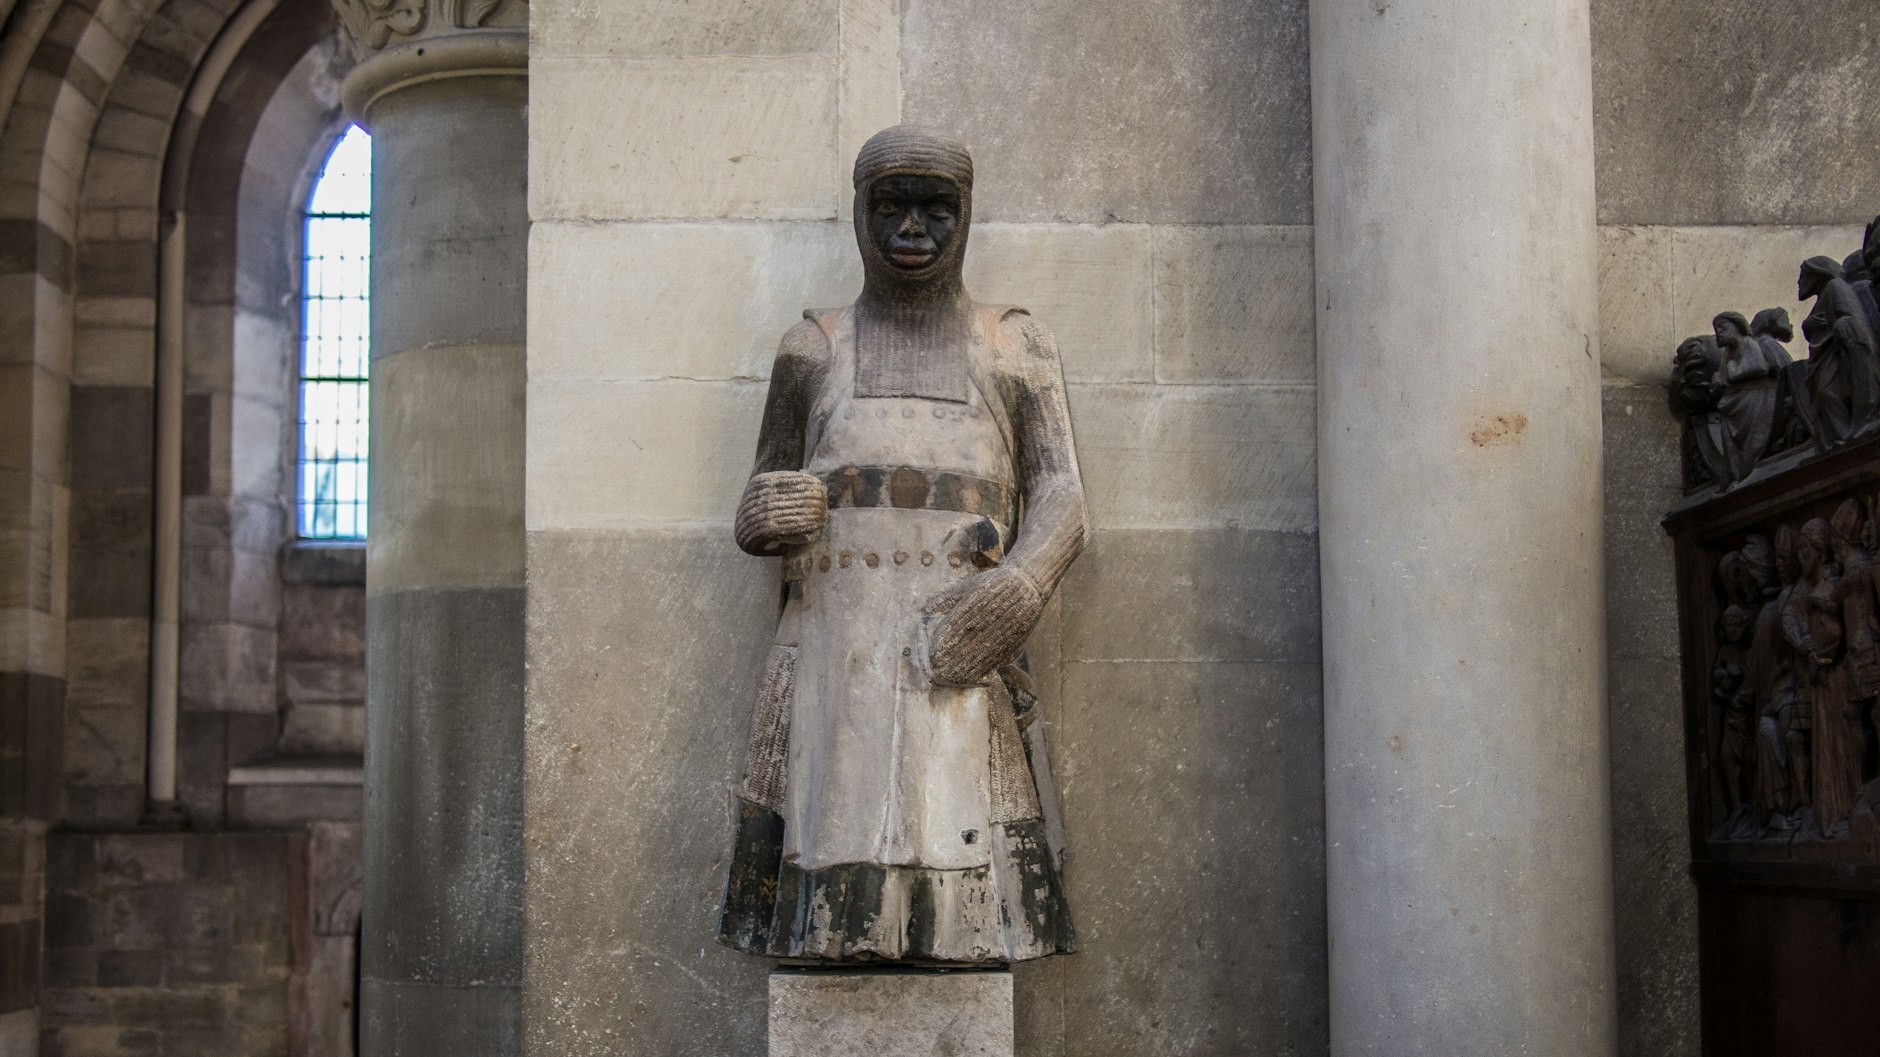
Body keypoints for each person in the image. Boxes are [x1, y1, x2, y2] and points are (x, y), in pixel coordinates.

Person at [718, 126, 1086, 964]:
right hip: (836, 651)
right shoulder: (812, 348)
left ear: (967, 213)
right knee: (836, 827)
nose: (911, 229)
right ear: (860, 213)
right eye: (890, 207)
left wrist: (1022, 584)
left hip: (959, 638)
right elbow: (762, 486)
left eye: (935, 209)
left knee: (958, 830)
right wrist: (765, 511)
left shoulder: (1015, 345)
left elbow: (1062, 492)